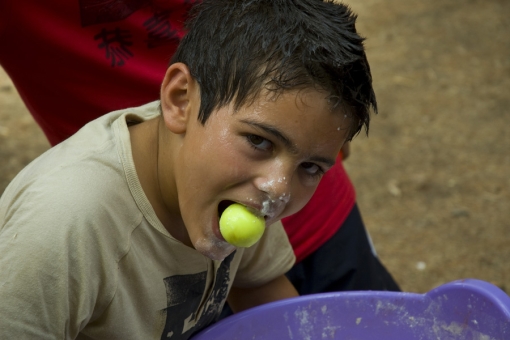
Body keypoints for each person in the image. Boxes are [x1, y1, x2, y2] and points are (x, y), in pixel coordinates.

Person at [0, 0, 398, 300]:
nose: (277, 187)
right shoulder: (60, 231)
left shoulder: (250, 192)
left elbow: (262, 292)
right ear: (178, 98)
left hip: (319, 224)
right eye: (258, 141)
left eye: (312, 166)